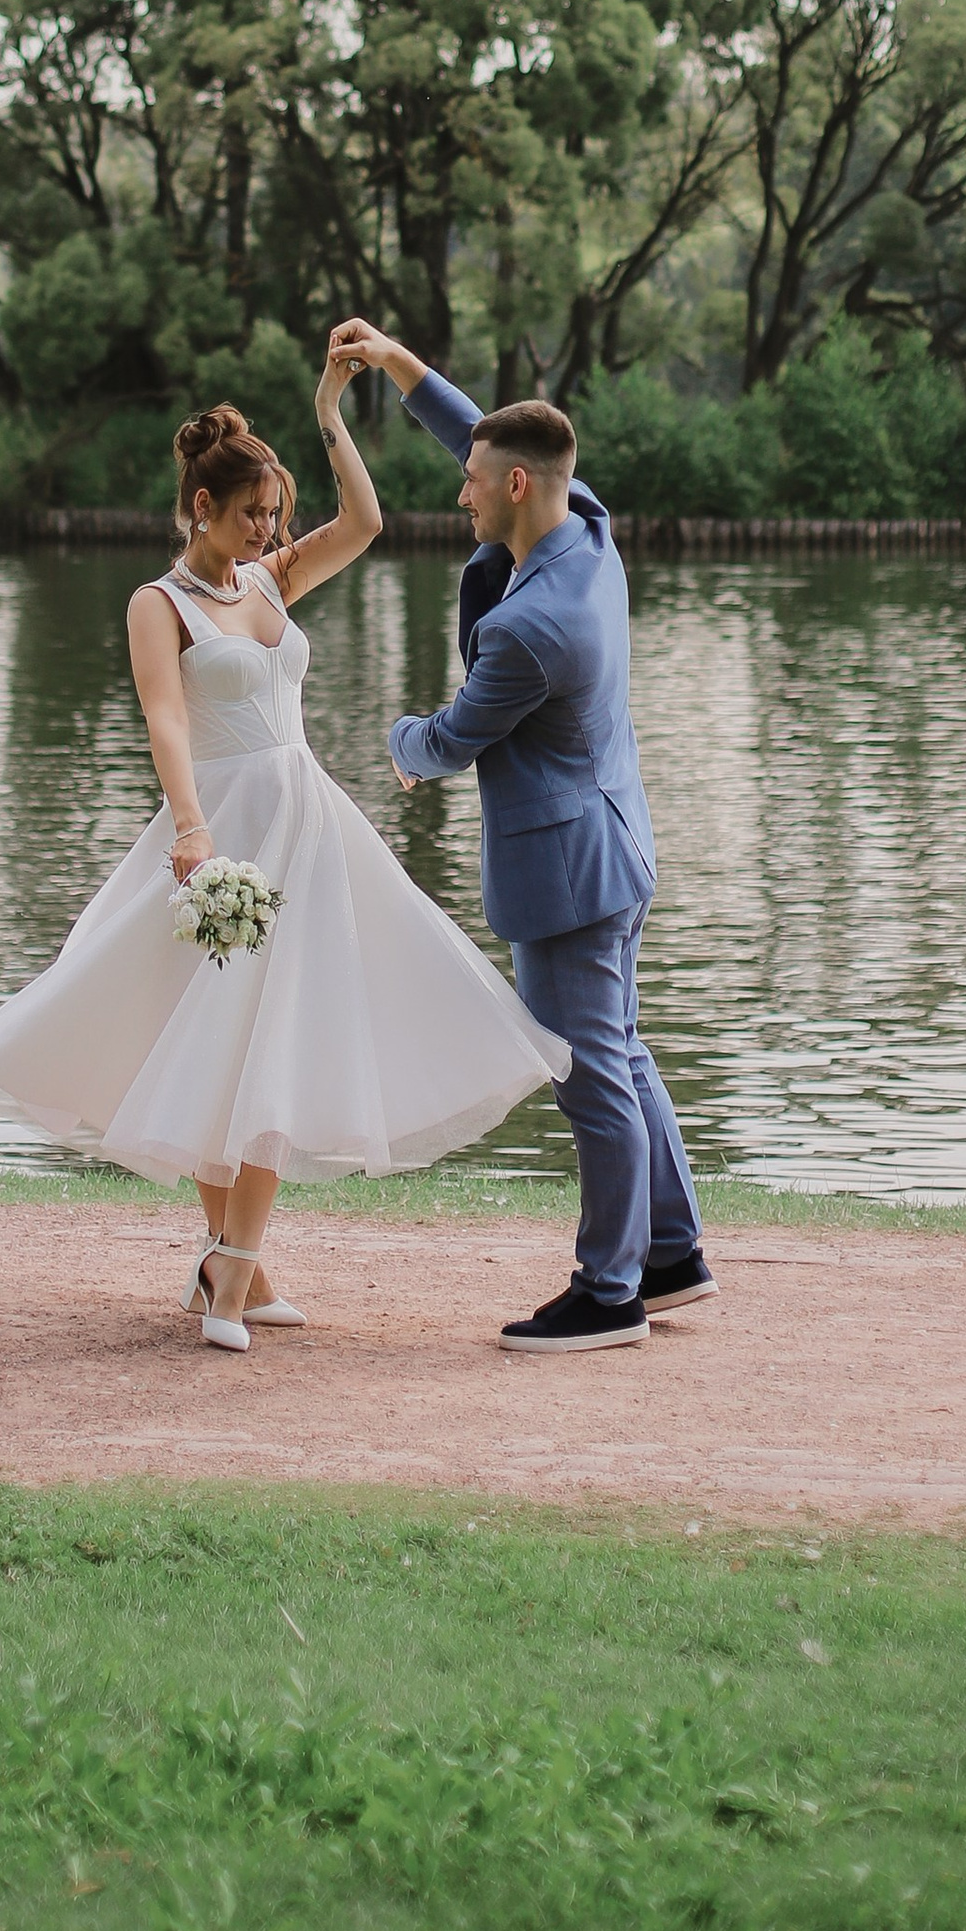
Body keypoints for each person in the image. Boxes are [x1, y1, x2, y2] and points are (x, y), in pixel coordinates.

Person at [0, 345, 569, 1349]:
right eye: (248, 516)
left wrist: (329, 409)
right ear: (198, 506)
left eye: (272, 516)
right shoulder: (161, 605)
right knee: (216, 1041)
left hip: (306, 826)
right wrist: (190, 828)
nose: (265, 533)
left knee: (280, 1031)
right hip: (223, 831)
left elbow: (365, 522)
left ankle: (233, 1270)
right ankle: (232, 1268)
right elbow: (165, 720)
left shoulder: (270, 583)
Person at [329, 319, 713, 1356]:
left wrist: (396, 739)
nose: (458, 492)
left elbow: (452, 740)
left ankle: (611, 1292)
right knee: (620, 1054)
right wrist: (398, 362)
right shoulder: (583, 523)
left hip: (566, 876)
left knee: (585, 1073)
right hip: (612, 842)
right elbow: (483, 436)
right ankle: (670, 1252)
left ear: (510, 492)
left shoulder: (528, 628)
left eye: (470, 483)